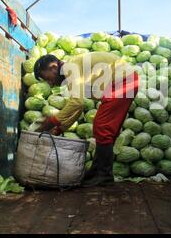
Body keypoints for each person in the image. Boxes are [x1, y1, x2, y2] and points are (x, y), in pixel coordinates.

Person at [34, 52, 139, 187]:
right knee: (106, 129)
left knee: (102, 126)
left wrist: (52, 121)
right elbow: (79, 107)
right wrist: (61, 128)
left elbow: (76, 103)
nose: (50, 83)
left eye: (47, 78)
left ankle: (104, 175)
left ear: (53, 67)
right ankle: (97, 172)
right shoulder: (73, 71)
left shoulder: (70, 68)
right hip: (124, 82)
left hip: (123, 81)